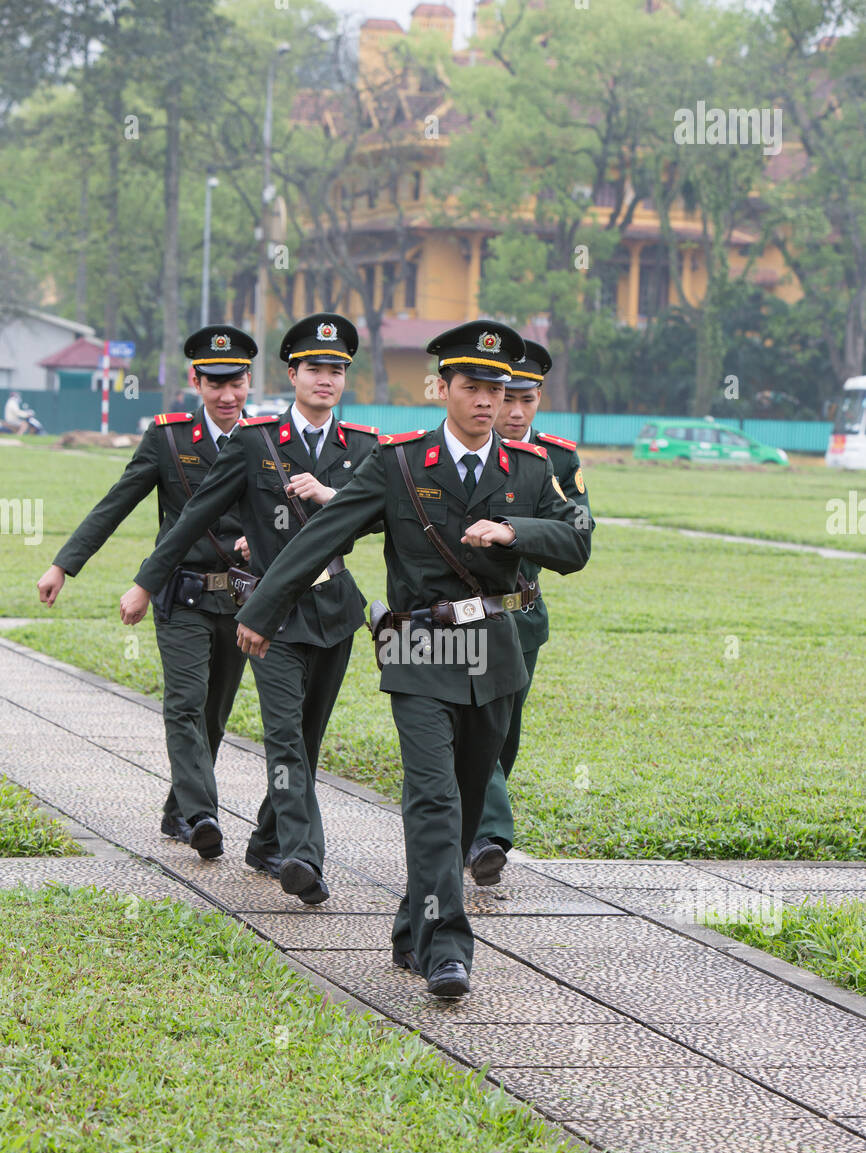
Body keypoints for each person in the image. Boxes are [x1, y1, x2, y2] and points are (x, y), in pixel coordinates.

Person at [232, 319, 593, 996]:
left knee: (462, 804)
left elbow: (576, 546)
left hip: (493, 650)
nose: (488, 399)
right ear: (444, 388)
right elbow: (324, 538)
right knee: (432, 798)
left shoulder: (531, 470)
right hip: (418, 643)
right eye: (474, 385)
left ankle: (414, 923)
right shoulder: (398, 464)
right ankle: (446, 948)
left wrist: (517, 530)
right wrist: (261, 609)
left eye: (499, 387)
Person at [121, 313, 378, 905]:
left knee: (309, 739)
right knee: (284, 736)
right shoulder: (256, 440)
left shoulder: (363, 446)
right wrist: (145, 582)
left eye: (337, 370)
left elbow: (386, 519)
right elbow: (196, 514)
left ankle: (265, 842)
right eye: (315, 368)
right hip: (270, 610)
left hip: (334, 606)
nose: (326, 379)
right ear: (292, 373)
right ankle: (301, 853)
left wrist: (332, 496)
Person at [37, 324, 258, 859]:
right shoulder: (169, 437)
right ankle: (203, 813)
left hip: (239, 598)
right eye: (215, 383)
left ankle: (176, 810)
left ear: (250, 380)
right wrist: (65, 564)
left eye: (237, 382)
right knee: (184, 702)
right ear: (196, 381)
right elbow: (118, 502)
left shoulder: (266, 438)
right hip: (180, 593)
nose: (227, 395)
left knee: (214, 713)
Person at [466, 340, 594, 885]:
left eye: (527, 400)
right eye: (505, 398)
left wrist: (517, 533)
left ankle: (471, 827)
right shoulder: (462, 448)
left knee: (505, 734)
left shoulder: (556, 459)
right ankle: (488, 835)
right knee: (477, 728)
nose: (515, 413)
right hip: (464, 617)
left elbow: (579, 534)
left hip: (523, 616)